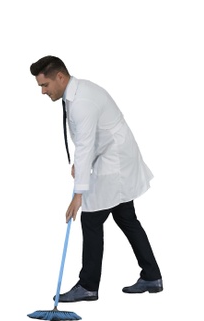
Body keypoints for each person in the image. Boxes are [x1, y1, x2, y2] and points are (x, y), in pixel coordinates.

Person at [29, 55, 163, 302]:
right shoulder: (76, 94)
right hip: (114, 156)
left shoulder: (82, 101)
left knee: (91, 220)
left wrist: (78, 195)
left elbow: (87, 142)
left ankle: (88, 285)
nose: (43, 91)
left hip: (115, 162)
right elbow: (85, 142)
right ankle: (152, 276)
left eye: (44, 85)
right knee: (126, 218)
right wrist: (81, 163)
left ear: (60, 77)